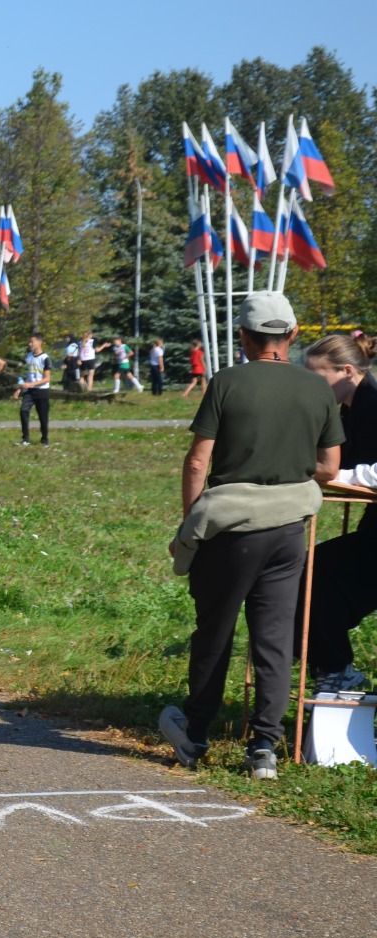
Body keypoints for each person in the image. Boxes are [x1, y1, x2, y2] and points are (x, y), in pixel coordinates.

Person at [160, 291, 342, 783]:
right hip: (289, 529)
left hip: (231, 528)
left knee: (216, 630)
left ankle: (196, 733)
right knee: (274, 638)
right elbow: (329, 466)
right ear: (293, 335)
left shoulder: (227, 382)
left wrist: (187, 525)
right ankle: (264, 746)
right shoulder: (317, 389)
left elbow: (199, 459)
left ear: (243, 337)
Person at [299, 335, 377, 700]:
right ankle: (332, 668)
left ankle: (335, 670)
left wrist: (337, 476)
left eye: (317, 377)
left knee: (313, 579)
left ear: (347, 371)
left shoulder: (374, 403)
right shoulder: (348, 407)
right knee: (309, 576)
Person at [17, 332, 51, 447]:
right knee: (23, 411)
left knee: (43, 416)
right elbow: (25, 374)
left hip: (42, 391)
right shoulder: (29, 357)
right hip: (29, 392)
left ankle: (45, 439)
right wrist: (20, 388)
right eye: (29, 341)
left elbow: (47, 379)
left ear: (39, 342)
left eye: (32, 342)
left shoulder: (45, 358)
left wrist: (33, 384)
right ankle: (25, 438)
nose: (30, 344)